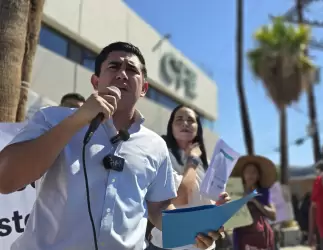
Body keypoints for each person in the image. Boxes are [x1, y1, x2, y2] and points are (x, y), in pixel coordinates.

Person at [0, 42, 221, 250]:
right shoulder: (52, 119)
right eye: (114, 66)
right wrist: (78, 120)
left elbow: (158, 208)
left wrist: (193, 229)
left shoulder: (155, 145)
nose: (122, 74)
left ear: (143, 88)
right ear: (96, 82)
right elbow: (6, 179)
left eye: (132, 70)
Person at [147, 105, 230, 250]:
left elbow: (210, 203)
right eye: (179, 119)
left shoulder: (210, 165)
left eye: (190, 120)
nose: (185, 123)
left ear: (198, 127)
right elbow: (178, 197)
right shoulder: (162, 155)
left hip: (204, 245)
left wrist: (220, 206)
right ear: (170, 126)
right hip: (167, 245)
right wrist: (192, 161)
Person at [231, 155, 277, 250]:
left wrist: (255, 201)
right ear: (242, 175)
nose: (250, 175)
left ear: (258, 176)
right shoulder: (235, 192)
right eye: (247, 172)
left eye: (254, 172)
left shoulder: (264, 192)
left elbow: (273, 215)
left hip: (261, 237)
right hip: (241, 237)